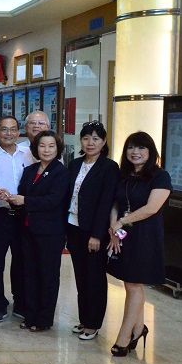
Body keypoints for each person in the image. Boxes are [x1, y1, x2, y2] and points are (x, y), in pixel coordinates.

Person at [106, 131, 171, 357]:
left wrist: (122, 222)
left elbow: (152, 208)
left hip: (145, 237)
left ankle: (124, 336)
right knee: (130, 284)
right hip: (124, 235)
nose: (136, 152)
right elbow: (116, 202)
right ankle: (138, 329)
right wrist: (114, 226)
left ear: (150, 151)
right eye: (131, 148)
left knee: (134, 284)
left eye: (141, 148)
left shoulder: (160, 176)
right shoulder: (125, 176)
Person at [7, 130, 68, 332]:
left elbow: (53, 200)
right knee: (29, 274)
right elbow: (22, 200)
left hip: (50, 233)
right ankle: (29, 314)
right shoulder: (30, 170)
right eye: (42, 145)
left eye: (51, 146)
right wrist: (10, 198)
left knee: (47, 276)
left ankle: (44, 319)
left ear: (58, 149)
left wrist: (25, 200)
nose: (46, 150)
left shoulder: (61, 172)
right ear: (35, 148)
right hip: (27, 230)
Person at [66, 121, 119, 341]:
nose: (90, 143)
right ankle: (84, 319)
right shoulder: (75, 164)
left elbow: (106, 202)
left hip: (93, 232)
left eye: (96, 138)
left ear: (104, 142)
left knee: (95, 278)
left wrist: (97, 234)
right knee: (80, 277)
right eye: (86, 138)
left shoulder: (109, 167)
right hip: (73, 226)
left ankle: (94, 323)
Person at [0, 116, 30, 323]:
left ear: (18, 132)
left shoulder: (28, 154)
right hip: (0, 214)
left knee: (21, 261)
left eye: (13, 129)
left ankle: (20, 302)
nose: (8, 133)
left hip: (23, 215)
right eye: (4, 129)